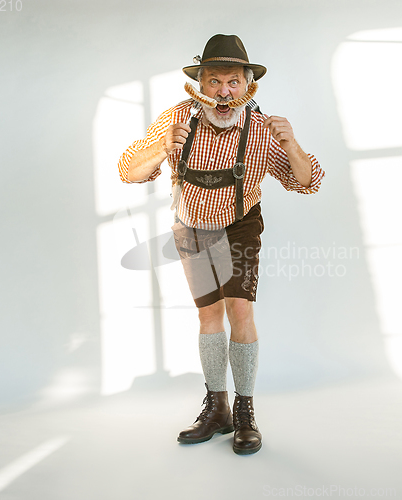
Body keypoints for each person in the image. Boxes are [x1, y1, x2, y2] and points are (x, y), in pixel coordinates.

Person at [117, 34, 325, 455]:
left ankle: (245, 412)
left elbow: (309, 182)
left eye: (233, 81)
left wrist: (292, 144)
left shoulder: (264, 129)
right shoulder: (177, 117)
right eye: (214, 81)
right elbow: (128, 171)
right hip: (192, 226)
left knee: (240, 309)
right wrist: (160, 147)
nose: (224, 91)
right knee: (208, 315)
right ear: (200, 83)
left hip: (240, 224)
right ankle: (217, 409)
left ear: (249, 85)